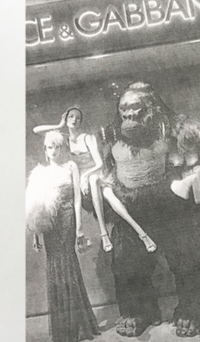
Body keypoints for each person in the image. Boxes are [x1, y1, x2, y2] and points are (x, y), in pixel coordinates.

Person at [33, 108, 156, 253]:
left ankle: (107, 233)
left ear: (81, 122)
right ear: (66, 119)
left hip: (97, 175)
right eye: (71, 117)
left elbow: (99, 164)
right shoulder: (64, 141)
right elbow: (37, 130)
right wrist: (59, 126)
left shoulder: (87, 138)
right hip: (82, 182)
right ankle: (142, 234)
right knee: (109, 196)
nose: (74, 120)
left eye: (78, 118)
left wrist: (86, 175)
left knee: (95, 181)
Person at [25, 130, 100, 342]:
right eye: (50, 147)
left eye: (58, 147)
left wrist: (79, 227)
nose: (54, 151)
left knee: (67, 261)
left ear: (63, 148)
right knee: (54, 265)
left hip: (67, 218)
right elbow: (36, 209)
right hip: (49, 224)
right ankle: (63, 328)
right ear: (45, 150)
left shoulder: (71, 167)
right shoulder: (41, 174)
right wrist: (36, 233)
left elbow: (77, 198)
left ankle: (77, 323)